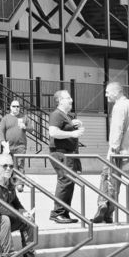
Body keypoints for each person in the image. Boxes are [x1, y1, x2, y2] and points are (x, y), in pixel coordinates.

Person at [92, 82, 129, 223]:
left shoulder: (119, 106)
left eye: (108, 92)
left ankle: (103, 205)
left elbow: (117, 129)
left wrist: (113, 147)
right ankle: (109, 212)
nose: (106, 95)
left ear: (117, 92)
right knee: (115, 181)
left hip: (117, 150)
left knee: (106, 177)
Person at [47, 89, 84, 224]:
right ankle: (57, 213)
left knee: (69, 182)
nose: (71, 100)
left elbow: (66, 130)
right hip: (60, 152)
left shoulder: (66, 116)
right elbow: (53, 132)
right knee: (65, 181)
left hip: (68, 153)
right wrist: (72, 134)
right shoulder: (56, 114)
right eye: (68, 98)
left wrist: (77, 125)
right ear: (60, 101)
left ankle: (64, 212)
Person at [0, 99, 28, 176]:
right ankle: (10, 185)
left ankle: (19, 185)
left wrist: (25, 127)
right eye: (14, 106)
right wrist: (3, 142)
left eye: (17, 106)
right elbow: (1, 131)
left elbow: (31, 129)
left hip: (20, 146)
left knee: (20, 166)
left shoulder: (24, 117)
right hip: (8, 146)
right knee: (8, 166)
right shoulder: (5, 118)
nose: (16, 108)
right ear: (10, 107)